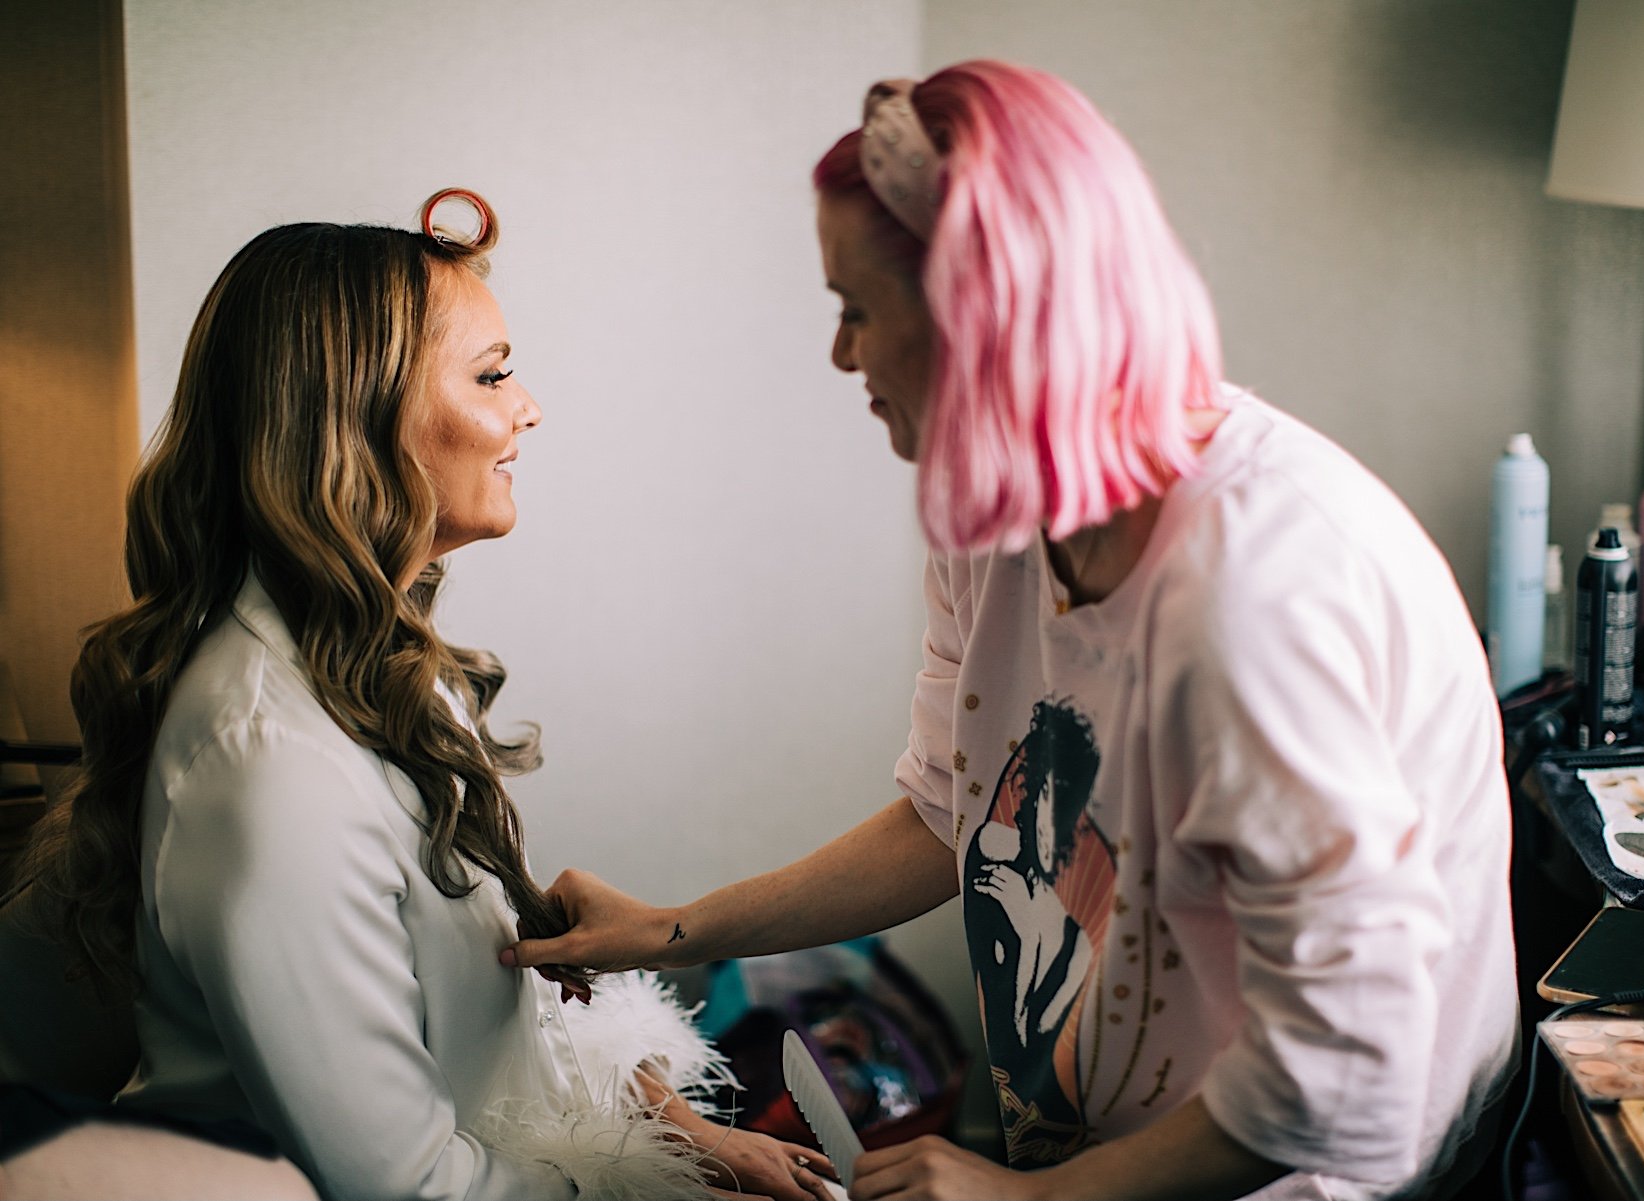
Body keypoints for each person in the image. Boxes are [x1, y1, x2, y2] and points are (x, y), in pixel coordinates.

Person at [505, 61, 1518, 1201]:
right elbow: (952, 812)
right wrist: (672, 931)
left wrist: (1025, 1198)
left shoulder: (1256, 595)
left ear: (978, 328)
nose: (842, 355)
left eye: (855, 309)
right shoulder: (998, 513)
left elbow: (1345, 1075)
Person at [14, 189, 834, 1201]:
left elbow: (496, 1029)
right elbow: (406, 1187)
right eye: (492, 374)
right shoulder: (272, 771)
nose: (529, 406)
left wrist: (678, 1129)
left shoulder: (383, 668)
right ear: (353, 417)